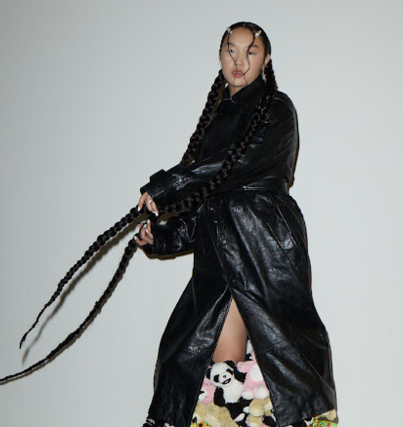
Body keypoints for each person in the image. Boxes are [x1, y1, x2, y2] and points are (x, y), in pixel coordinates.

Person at [134, 22, 339, 427]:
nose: (240, 61)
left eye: (251, 51)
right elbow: (208, 206)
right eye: (231, 50)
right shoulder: (217, 120)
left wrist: (171, 184)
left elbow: (233, 167)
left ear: (266, 59)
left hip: (265, 249)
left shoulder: (277, 109)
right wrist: (162, 237)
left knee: (284, 370)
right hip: (220, 258)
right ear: (220, 55)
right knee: (215, 370)